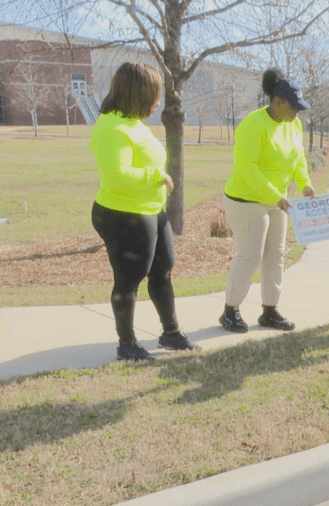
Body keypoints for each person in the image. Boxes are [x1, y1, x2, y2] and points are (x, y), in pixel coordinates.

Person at [90, 62, 200, 361]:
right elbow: (116, 175)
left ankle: (171, 334)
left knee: (163, 270)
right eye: (154, 94)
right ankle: (127, 345)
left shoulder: (131, 121)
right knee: (129, 278)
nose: (156, 102)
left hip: (150, 210)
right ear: (137, 93)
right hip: (123, 214)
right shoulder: (112, 127)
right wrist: (156, 176)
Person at [219, 68, 316, 333]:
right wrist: (277, 197)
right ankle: (230, 311)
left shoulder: (293, 124)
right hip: (246, 199)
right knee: (250, 256)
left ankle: (270, 311)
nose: (298, 113)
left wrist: (305, 183)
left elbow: (298, 158)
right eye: (293, 107)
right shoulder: (253, 125)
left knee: (275, 256)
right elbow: (246, 169)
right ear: (277, 102)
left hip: (278, 201)